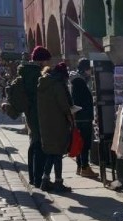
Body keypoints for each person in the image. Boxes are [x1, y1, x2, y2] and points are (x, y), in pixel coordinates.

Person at [15, 46, 51, 187]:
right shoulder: (35, 74)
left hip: (30, 112)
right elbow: (40, 95)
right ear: (41, 60)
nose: (48, 63)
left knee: (33, 144)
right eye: (47, 60)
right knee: (39, 146)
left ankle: (32, 177)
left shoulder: (26, 71)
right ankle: (38, 179)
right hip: (38, 112)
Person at [37, 61, 73, 192]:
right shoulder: (57, 85)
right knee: (57, 154)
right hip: (58, 123)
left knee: (51, 154)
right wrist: (70, 115)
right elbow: (64, 104)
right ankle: (58, 182)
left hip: (46, 123)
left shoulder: (43, 83)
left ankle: (45, 181)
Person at [70, 58, 97, 178]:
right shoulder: (79, 82)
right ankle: (85, 167)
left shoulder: (77, 80)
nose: (91, 72)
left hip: (81, 117)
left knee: (80, 142)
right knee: (84, 143)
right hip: (83, 117)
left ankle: (80, 166)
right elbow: (78, 101)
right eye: (90, 69)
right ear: (86, 69)